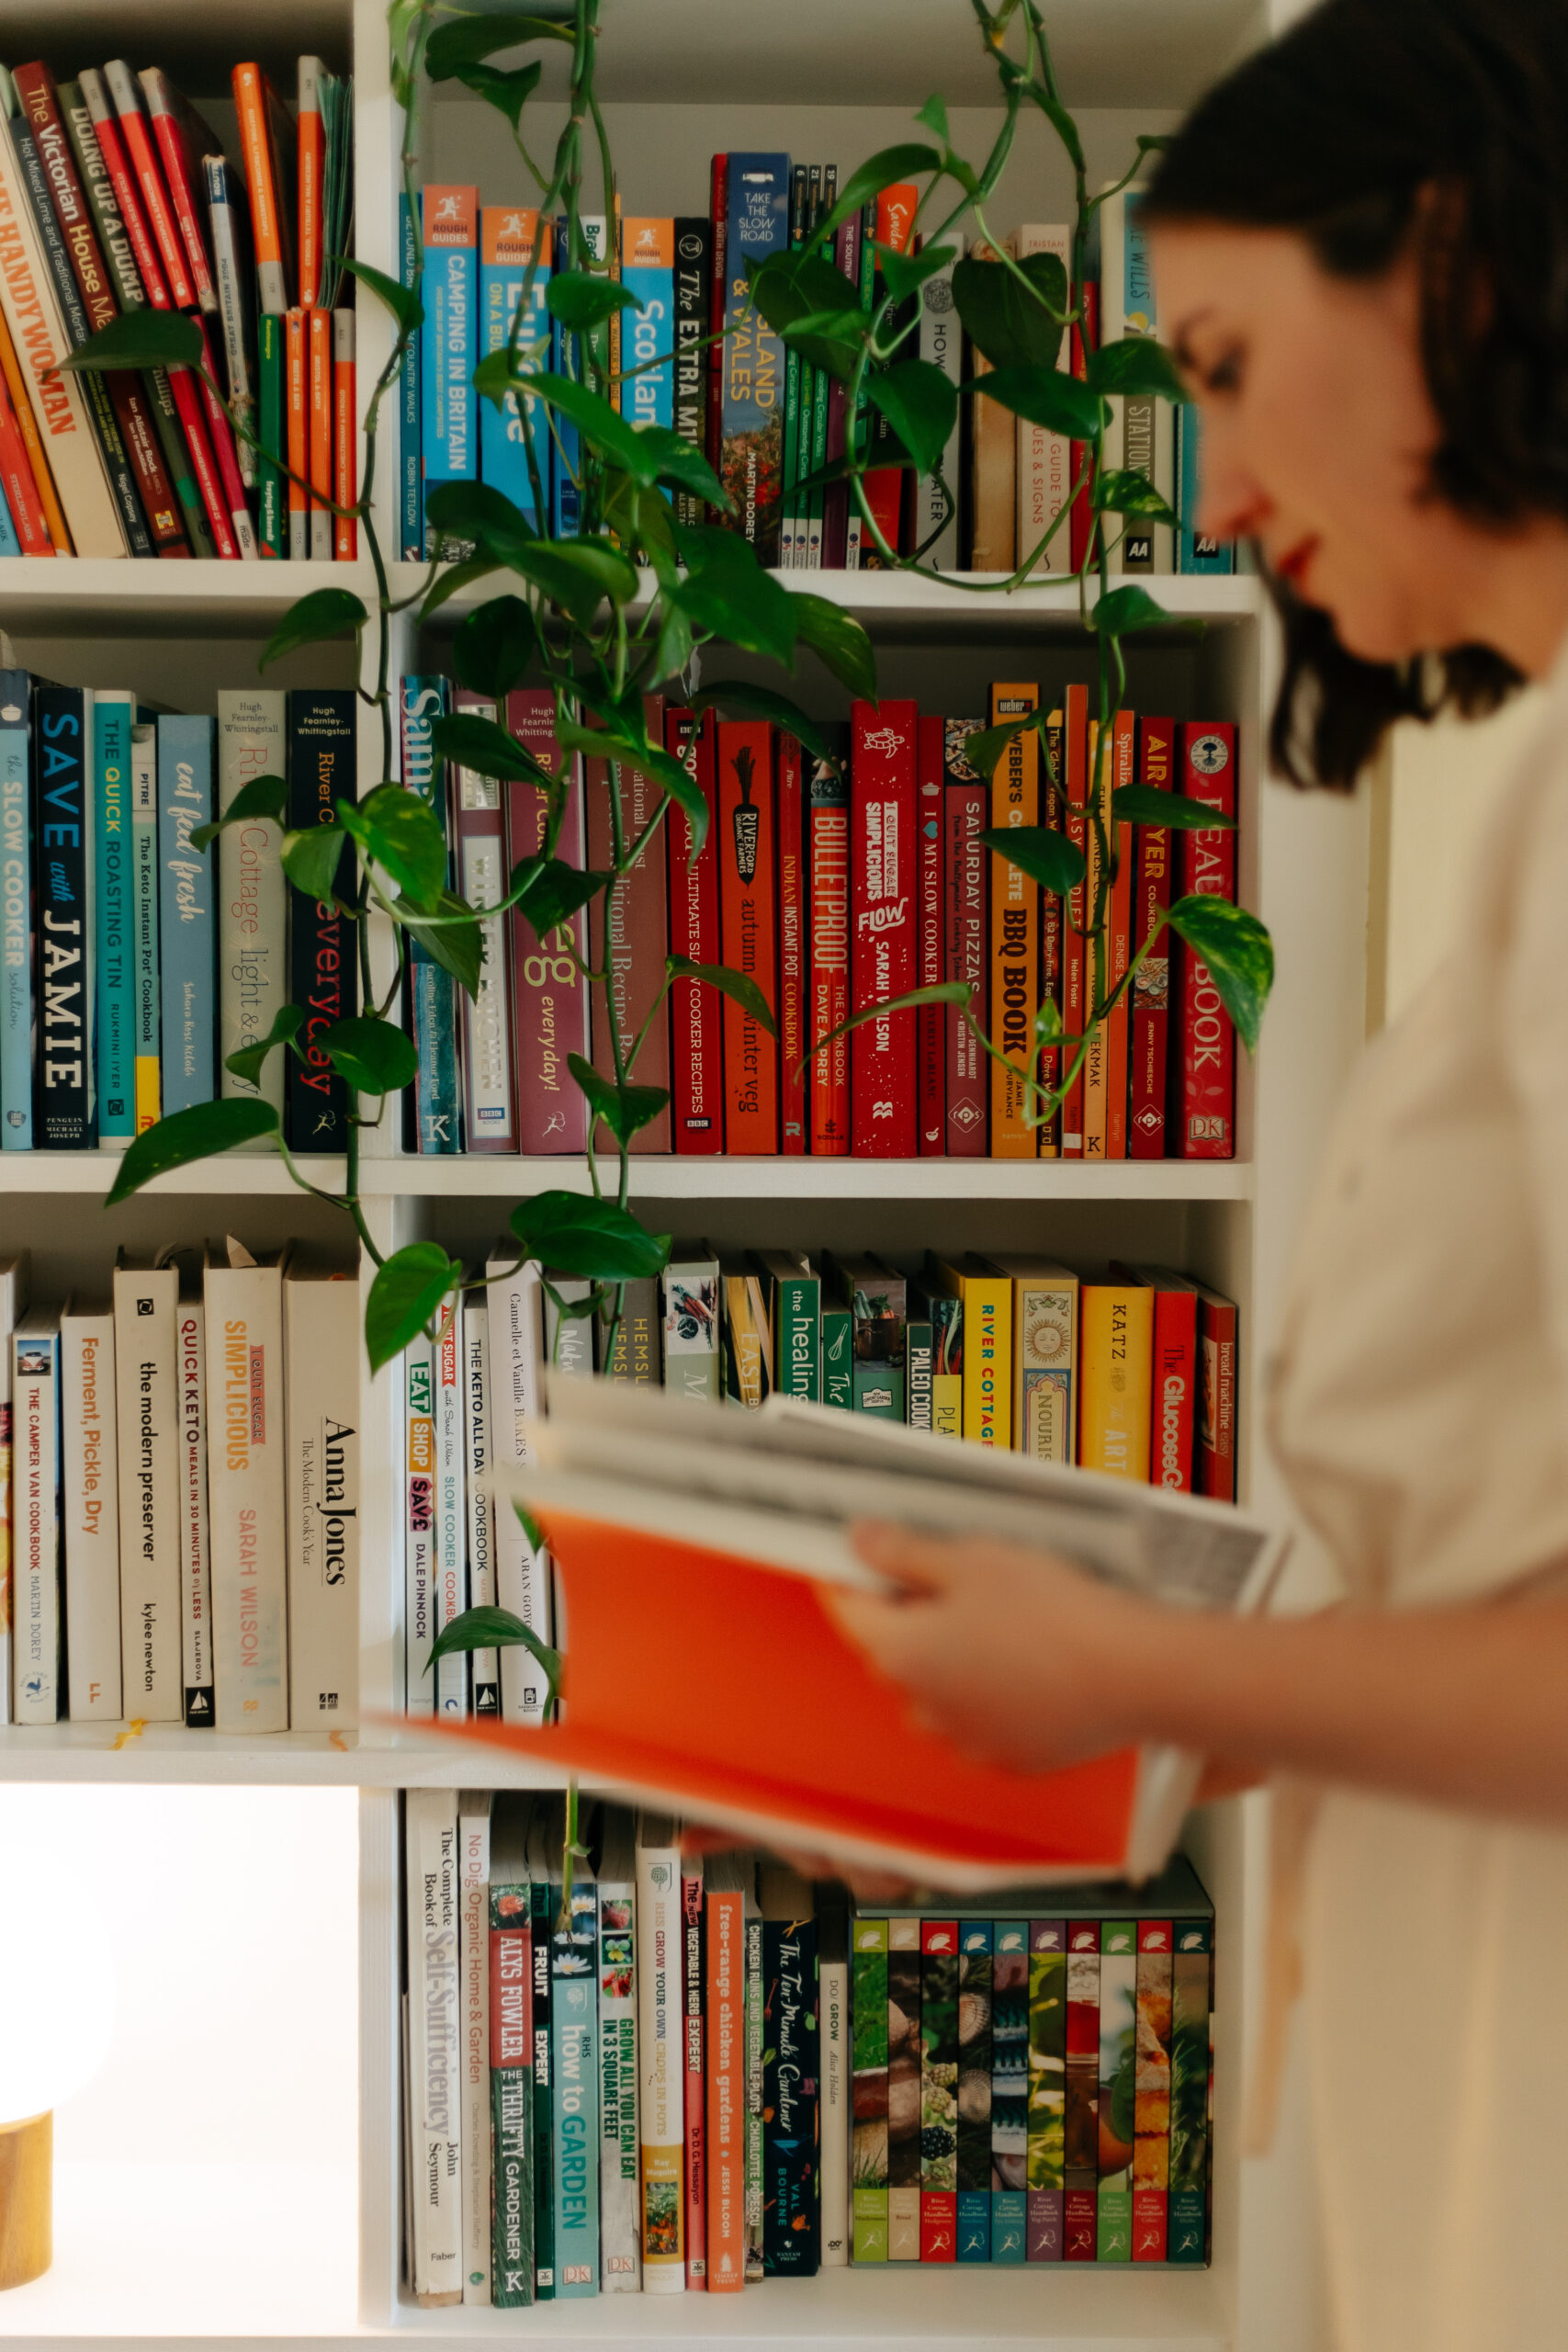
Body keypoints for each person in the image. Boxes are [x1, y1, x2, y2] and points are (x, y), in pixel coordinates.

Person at [826, 3, 1568, 2346]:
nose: (1218, 493)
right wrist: (1107, 1707)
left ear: (1445, 258)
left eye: (1229, 371)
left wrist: (1131, 1659)